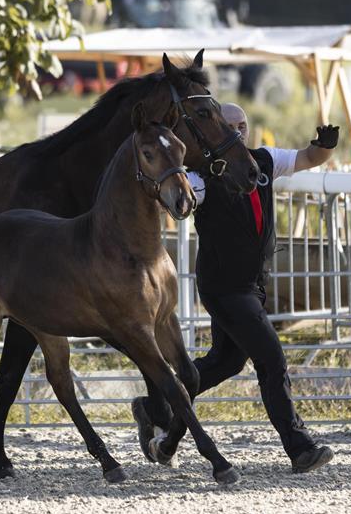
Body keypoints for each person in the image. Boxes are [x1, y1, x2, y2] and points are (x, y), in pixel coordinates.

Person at [131, 103, 337, 473]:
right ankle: (299, 446)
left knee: (223, 364)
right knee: (271, 359)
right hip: (224, 287)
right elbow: (171, 200)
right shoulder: (199, 178)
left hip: (252, 285)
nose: (238, 131)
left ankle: (159, 415)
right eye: (230, 126)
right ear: (215, 131)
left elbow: (310, 158)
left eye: (242, 124)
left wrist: (326, 145)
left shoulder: (264, 160)